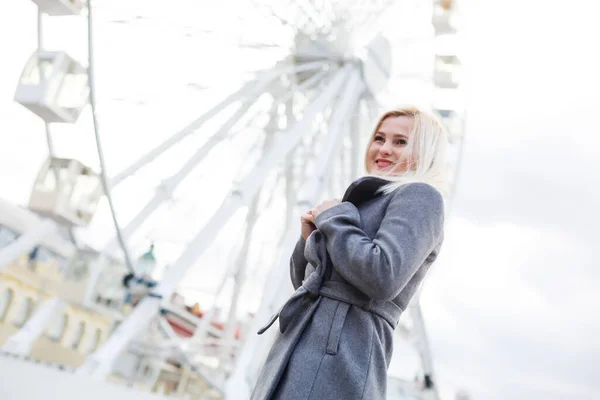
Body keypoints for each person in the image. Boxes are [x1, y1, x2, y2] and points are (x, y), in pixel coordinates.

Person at [251, 107, 448, 400]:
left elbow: (383, 276)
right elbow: (307, 285)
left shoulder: (421, 196)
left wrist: (334, 220)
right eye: (379, 138)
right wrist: (309, 239)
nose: (384, 149)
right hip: (300, 345)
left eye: (400, 142)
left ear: (427, 151)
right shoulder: (361, 205)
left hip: (342, 354)